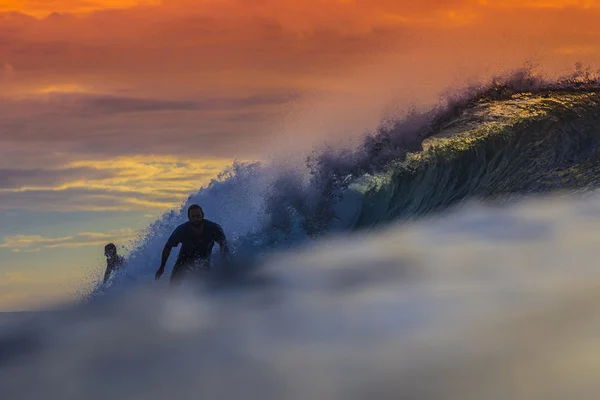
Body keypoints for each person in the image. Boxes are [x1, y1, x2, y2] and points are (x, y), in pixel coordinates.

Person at [155, 204, 230, 285]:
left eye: (198, 216)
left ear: (203, 215)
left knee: (205, 286)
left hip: (203, 260)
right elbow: (167, 247)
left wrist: (225, 263)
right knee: (174, 284)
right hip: (184, 260)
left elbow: (223, 245)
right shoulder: (181, 230)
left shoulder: (213, 228)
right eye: (193, 217)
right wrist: (162, 267)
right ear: (189, 217)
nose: (196, 219)